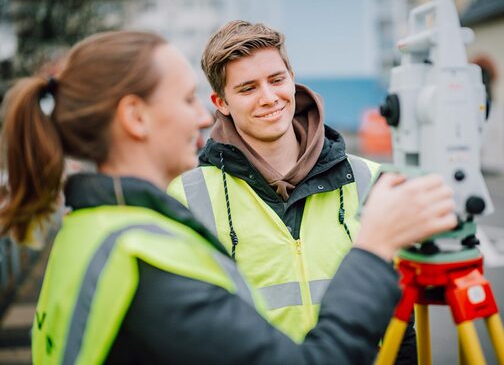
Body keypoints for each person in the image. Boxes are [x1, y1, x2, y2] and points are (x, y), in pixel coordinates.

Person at [0, 30, 456, 364]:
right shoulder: (150, 249)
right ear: (136, 118)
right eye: (185, 100)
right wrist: (373, 248)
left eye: (276, 80)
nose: (200, 118)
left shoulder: (88, 230)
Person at [167, 20, 417, 360]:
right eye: (247, 89)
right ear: (220, 102)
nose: (269, 98)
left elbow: (399, 314)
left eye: (276, 80)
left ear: (292, 79)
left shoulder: (369, 178)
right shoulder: (186, 196)